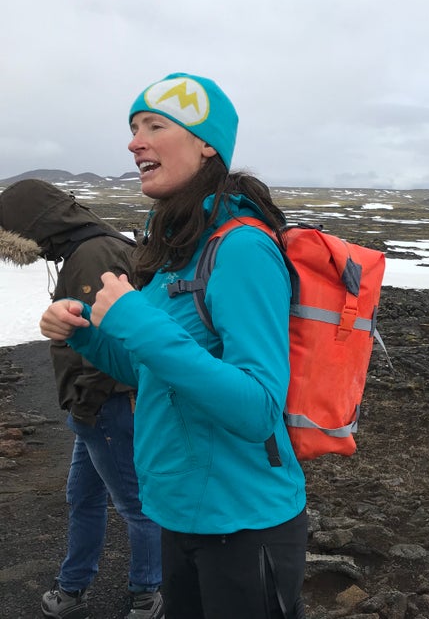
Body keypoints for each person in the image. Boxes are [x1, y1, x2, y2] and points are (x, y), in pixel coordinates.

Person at [39, 73, 308, 619]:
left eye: (155, 125)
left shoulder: (242, 248)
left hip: (246, 520)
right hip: (180, 512)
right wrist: (87, 334)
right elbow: (151, 373)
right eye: (134, 127)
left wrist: (137, 321)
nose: (135, 141)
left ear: (206, 143)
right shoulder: (177, 249)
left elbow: (258, 407)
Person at [0, 179, 164, 619]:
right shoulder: (91, 246)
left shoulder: (92, 255)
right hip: (93, 407)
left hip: (105, 405)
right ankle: (73, 586)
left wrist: (88, 401)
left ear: (34, 225)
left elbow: (112, 338)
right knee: (84, 497)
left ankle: (147, 593)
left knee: (136, 505)